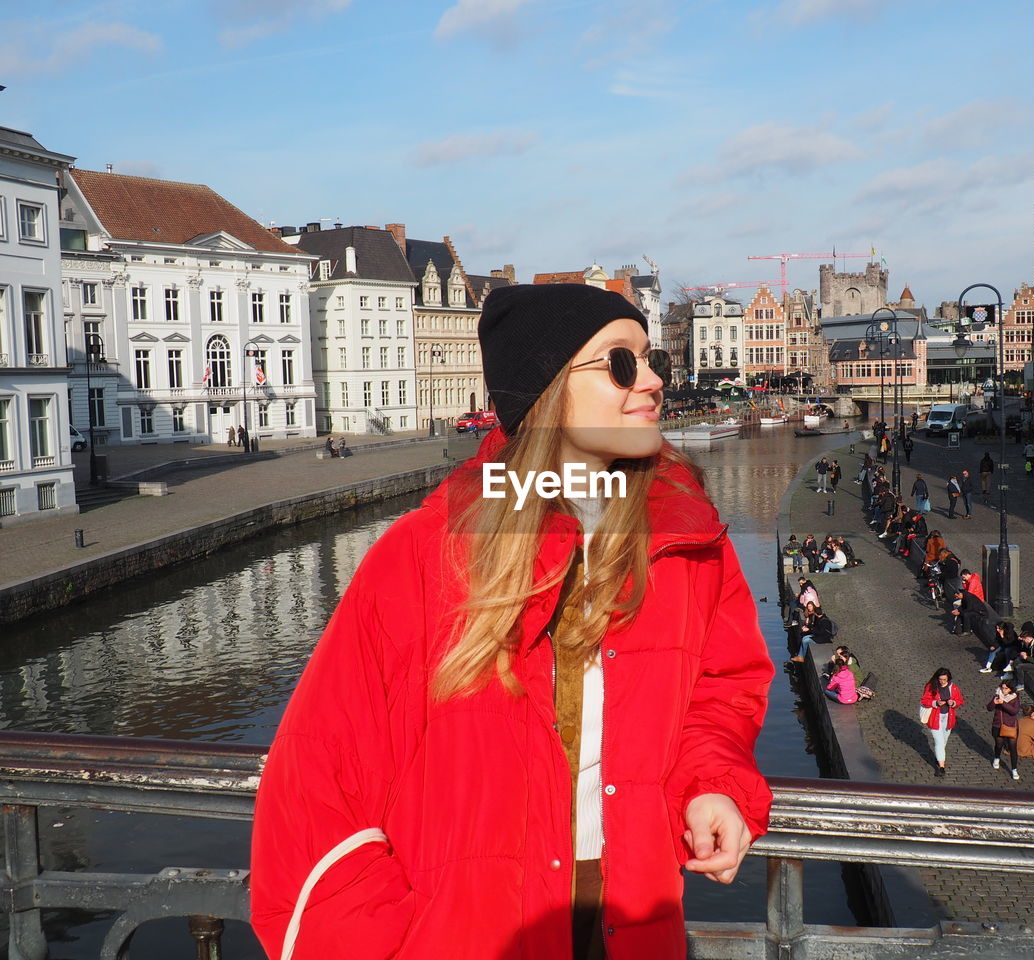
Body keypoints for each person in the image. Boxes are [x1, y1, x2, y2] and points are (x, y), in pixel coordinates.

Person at [250, 284, 773, 960]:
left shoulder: (683, 535)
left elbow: (723, 690)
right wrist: (393, 943)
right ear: (548, 391)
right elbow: (315, 787)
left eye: (653, 362)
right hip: (472, 932)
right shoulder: (428, 553)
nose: (650, 383)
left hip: (630, 917)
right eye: (621, 364)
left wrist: (713, 786)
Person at [921, 668, 963, 777]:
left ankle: (938, 757)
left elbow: (959, 701)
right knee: (939, 742)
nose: (942, 682)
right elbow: (924, 700)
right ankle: (941, 767)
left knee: (944, 740)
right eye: (940, 679)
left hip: (948, 718)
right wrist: (935, 703)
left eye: (945, 679)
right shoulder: (931, 686)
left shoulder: (953, 688)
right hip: (935, 718)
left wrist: (953, 702)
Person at [987, 680, 1021, 780]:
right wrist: (994, 702)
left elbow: (1014, 711)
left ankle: (1014, 769)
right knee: (999, 744)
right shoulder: (997, 695)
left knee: (1013, 748)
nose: (1003, 690)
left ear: (1011, 689)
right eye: (1002, 688)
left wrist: (1003, 704)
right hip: (998, 725)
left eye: (1006, 688)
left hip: (1011, 726)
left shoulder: (1014, 698)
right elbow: (989, 708)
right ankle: (997, 758)